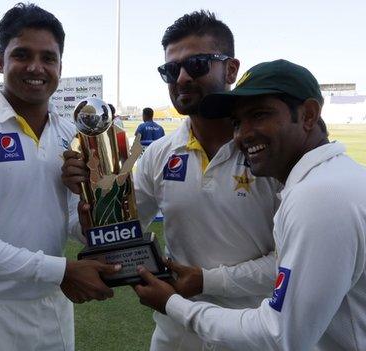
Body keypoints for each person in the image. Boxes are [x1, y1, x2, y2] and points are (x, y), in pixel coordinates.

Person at [134, 59, 366, 350]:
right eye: (237, 122)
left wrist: (173, 305)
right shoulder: (332, 179)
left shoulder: (321, 197)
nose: (242, 134)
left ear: (308, 115)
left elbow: (280, 336)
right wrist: (206, 282)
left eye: (259, 115)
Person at [62, 11, 281, 351]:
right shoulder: (160, 154)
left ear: (231, 69)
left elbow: (291, 261)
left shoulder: (268, 152)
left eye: (196, 64)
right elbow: (120, 231)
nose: (180, 78)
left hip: (250, 331)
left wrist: (208, 281)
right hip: (175, 332)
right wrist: (90, 200)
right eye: (170, 69)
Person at [0, 4, 119, 351]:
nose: (36, 67)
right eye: (22, 54)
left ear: (60, 67)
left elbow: (68, 225)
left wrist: (89, 212)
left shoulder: (68, 133)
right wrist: (60, 270)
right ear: (0, 62)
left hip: (53, 306)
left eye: (48, 58)